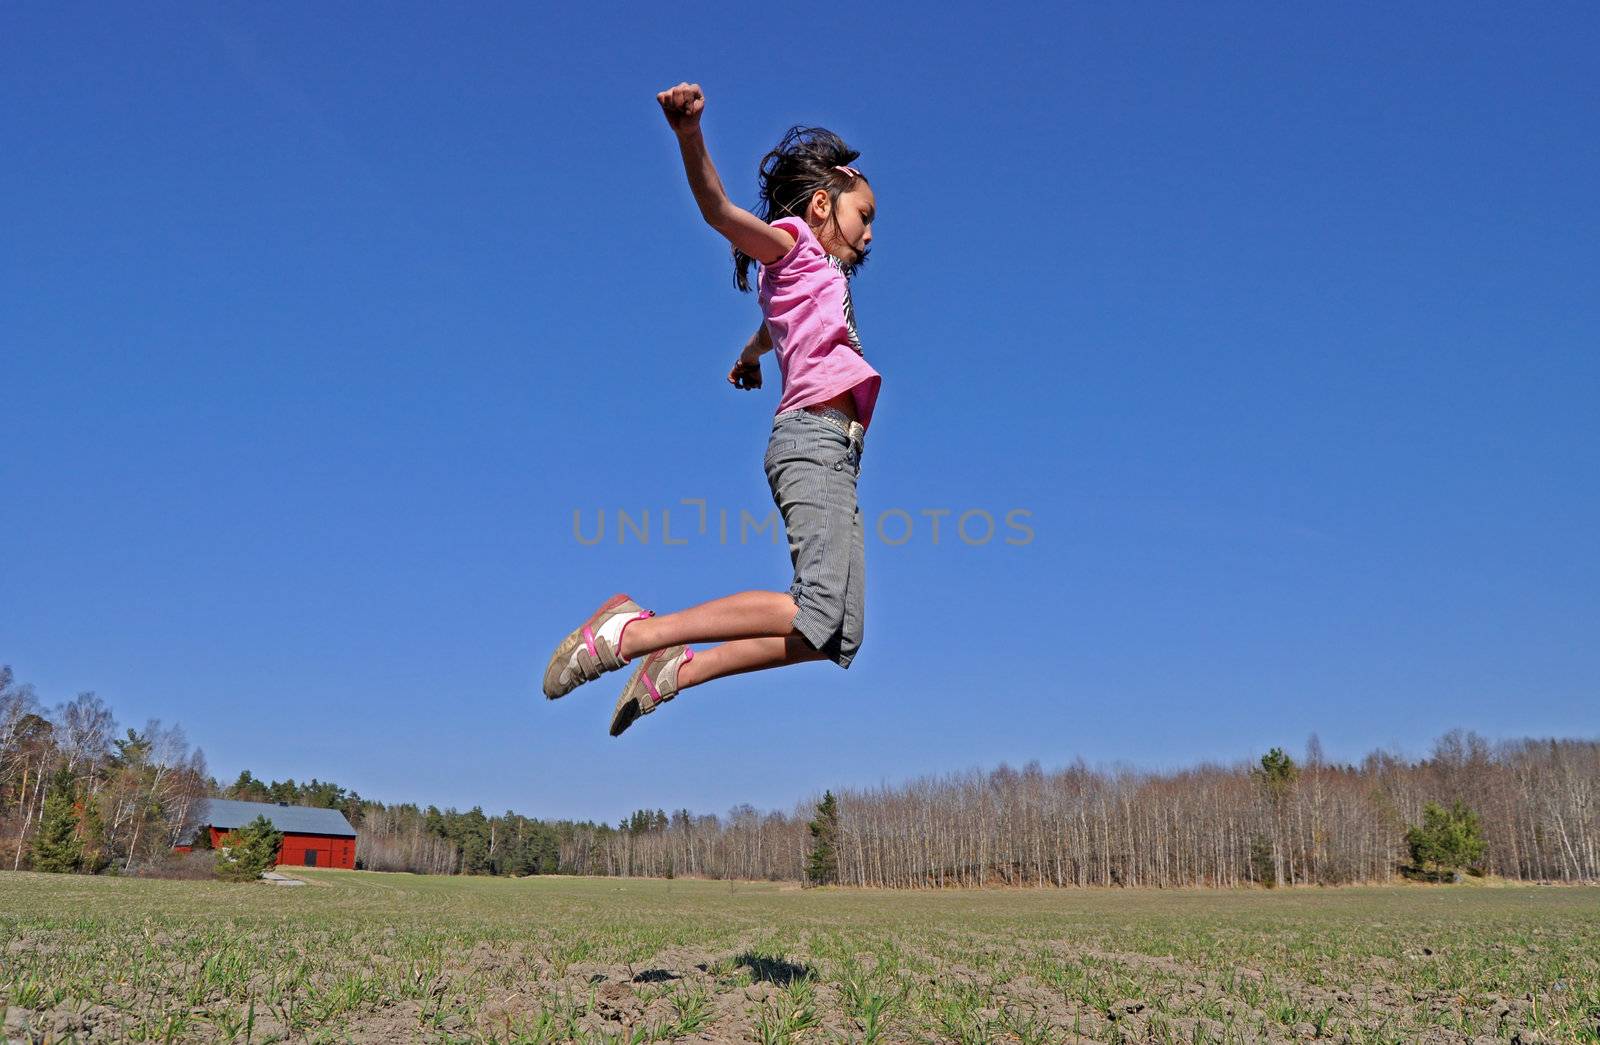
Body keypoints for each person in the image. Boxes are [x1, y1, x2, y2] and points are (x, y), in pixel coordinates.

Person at [542, 82, 880, 737]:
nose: (869, 235)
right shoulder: (794, 248)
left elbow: (773, 329)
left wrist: (751, 357)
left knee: (838, 633)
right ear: (820, 206)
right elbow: (719, 210)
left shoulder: (805, 283)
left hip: (833, 449)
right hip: (812, 441)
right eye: (863, 216)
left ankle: (676, 669)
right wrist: (689, 135)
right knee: (817, 605)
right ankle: (634, 632)